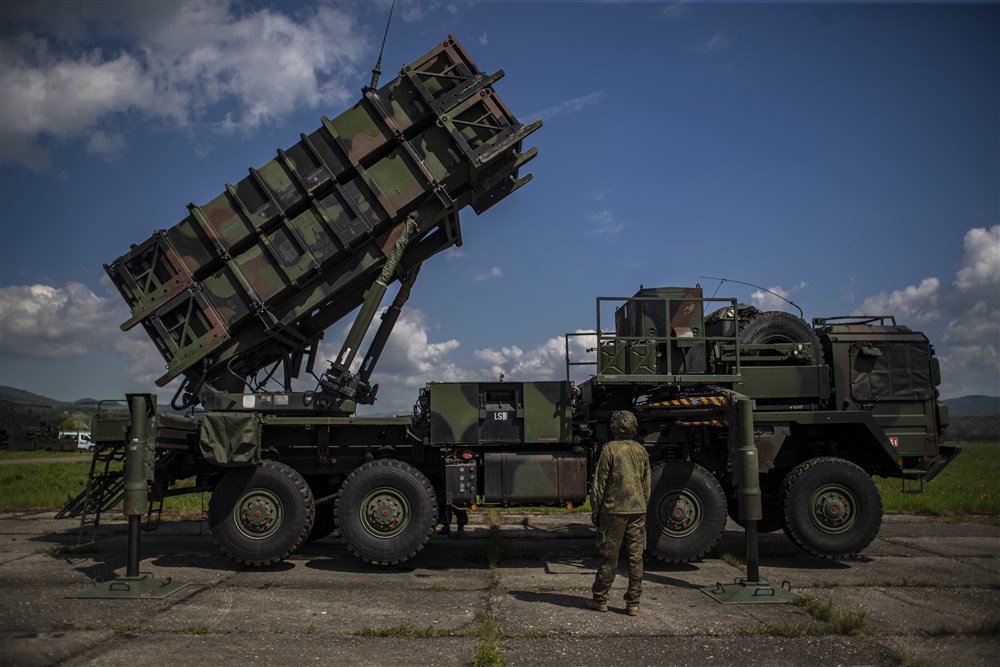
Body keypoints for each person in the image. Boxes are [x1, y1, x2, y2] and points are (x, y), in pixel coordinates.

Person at [589, 409, 651, 616]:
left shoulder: (610, 450)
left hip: (614, 511)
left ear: (614, 427)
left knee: (609, 556)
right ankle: (633, 603)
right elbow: (646, 484)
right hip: (637, 510)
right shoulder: (642, 451)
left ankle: (601, 599)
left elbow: (600, 483)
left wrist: (596, 509)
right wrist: (642, 506)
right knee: (636, 558)